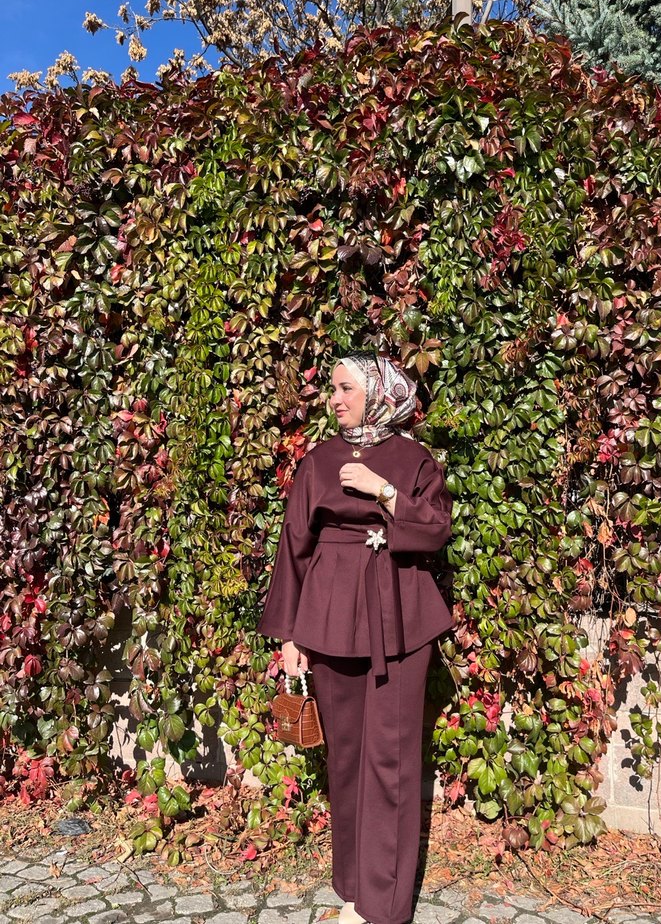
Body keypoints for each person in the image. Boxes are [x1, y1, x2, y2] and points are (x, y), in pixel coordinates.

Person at [257, 350, 454, 924]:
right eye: (332, 389)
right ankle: (352, 886)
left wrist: (385, 493)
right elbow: (294, 546)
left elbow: (436, 529)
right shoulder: (318, 461)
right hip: (329, 616)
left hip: (402, 617)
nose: (335, 399)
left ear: (378, 391)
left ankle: (382, 907)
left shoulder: (415, 460)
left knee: (392, 756)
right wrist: (289, 635)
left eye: (346, 388)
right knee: (344, 755)